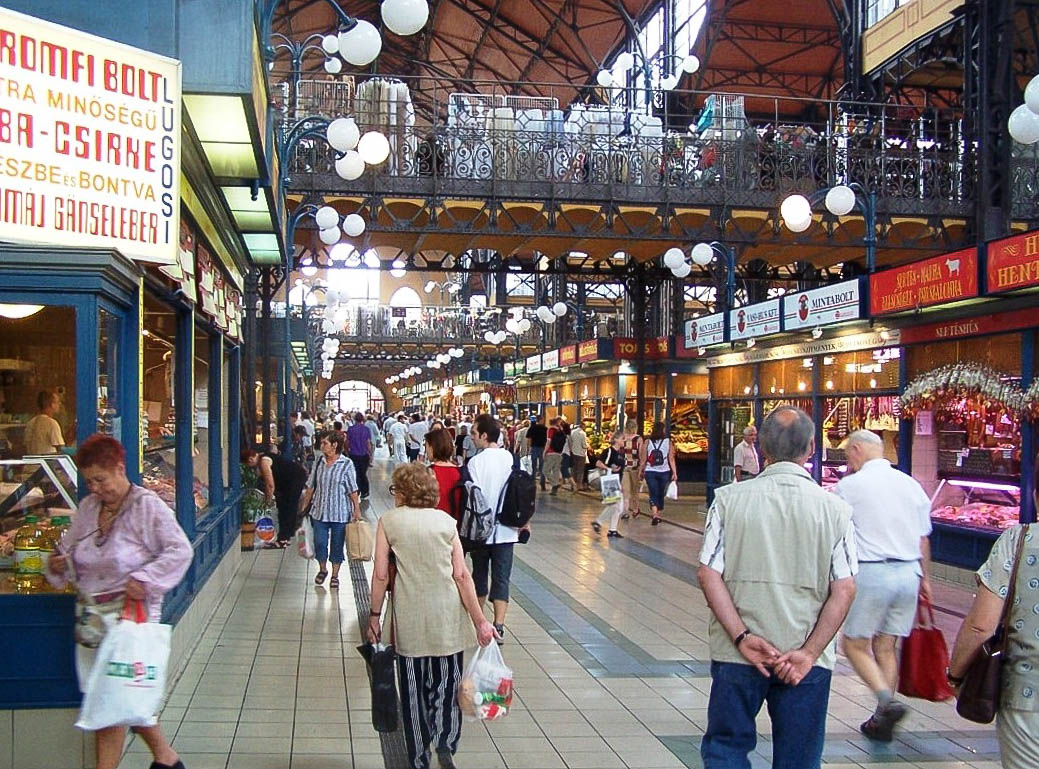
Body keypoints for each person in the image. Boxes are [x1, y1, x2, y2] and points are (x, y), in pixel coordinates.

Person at [697, 406, 857, 769]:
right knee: (799, 756)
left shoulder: (728, 500)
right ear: (812, 448)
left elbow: (708, 574)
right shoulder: (835, 510)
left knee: (726, 748)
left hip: (737, 655)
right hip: (804, 659)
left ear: (763, 449)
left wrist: (741, 637)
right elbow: (844, 588)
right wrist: (810, 652)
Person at [47, 434, 192, 769]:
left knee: (110, 701)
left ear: (120, 469)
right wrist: (59, 563)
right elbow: (72, 552)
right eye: (89, 482)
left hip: (130, 619)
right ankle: (167, 759)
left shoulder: (147, 506)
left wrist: (146, 579)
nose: (95, 488)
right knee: (119, 696)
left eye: (101, 479)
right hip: (92, 623)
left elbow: (179, 550)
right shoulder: (87, 509)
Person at [368, 463, 496, 769]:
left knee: (413, 695)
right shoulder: (446, 522)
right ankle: (446, 743)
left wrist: (374, 615)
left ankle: (418, 757)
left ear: (402, 490)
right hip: (447, 620)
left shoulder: (389, 521)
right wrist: (481, 621)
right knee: (447, 687)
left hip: (410, 619)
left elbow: (381, 575)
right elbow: (462, 576)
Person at [834, 429, 933, 742]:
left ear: (860, 450)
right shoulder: (910, 485)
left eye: (849, 452)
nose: (848, 459)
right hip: (909, 573)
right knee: (886, 645)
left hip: (873, 573)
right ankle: (881, 720)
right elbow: (923, 538)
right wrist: (926, 578)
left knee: (853, 643)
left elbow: (835, 531)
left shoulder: (849, 487)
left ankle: (886, 703)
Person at [948, 465, 1039, 769]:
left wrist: (956, 675)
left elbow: (980, 625)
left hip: (1027, 702)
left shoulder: (1019, 541)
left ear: (1036, 496)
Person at [466, 414, 521, 641]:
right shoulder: (511, 459)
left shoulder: (475, 462)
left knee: (478, 574)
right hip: (507, 530)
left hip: (481, 530)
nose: (472, 437)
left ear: (484, 435)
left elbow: (472, 497)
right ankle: (499, 625)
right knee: (501, 577)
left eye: (474, 433)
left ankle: (478, 624)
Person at [297, 431, 361, 589]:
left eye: (325, 443)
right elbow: (311, 485)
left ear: (335, 445)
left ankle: (335, 575)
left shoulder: (346, 464)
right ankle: (323, 569)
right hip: (319, 510)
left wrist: (356, 510)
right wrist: (304, 507)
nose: (321, 445)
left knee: (337, 545)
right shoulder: (319, 462)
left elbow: (353, 489)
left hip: (340, 512)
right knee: (319, 542)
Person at [243, 448, 308, 548]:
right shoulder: (263, 456)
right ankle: (286, 535)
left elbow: (270, 485)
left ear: (251, 459)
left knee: (288, 506)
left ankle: (284, 538)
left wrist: (267, 502)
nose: (250, 468)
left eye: (248, 465)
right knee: (285, 506)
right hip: (289, 480)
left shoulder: (264, 462)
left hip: (294, 479)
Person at [639, 421, 677, 526]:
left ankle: (655, 513)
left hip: (650, 471)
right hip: (664, 471)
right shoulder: (668, 442)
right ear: (663, 430)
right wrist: (674, 473)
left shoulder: (647, 442)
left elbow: (643, 459)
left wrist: (641, 471)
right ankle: (656, 514)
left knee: (653, 492)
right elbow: (671, 459)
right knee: (660, 492)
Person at [591, 431, 626, 538]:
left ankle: (612, 530)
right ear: (616, 440)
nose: (624, 441)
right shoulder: (609, 451)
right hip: (609, 480)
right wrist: (609, 468)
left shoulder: (621, 454)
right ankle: (599, 522)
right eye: (622, 439)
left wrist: (621, 484)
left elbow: (621, 471)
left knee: (619, 507)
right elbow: (598, 463)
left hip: (616, 481)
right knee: (614, 504)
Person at [427, 428, 462, 521]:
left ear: (432, 447)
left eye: (426, 446)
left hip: (433, 523)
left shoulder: (427, 473)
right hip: (455, 524)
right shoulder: (461, 472)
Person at [24, 389, 65, 455]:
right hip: (46, 463)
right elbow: (60, 448)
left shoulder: (30, 423)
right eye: (58, 402)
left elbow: (25, 445)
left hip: (31, 463)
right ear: (52, 405)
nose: (59, 404)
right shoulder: (52, 424)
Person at [347, 412, 374, 500]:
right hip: (363, 454)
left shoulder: (351, 429)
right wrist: (370, 454)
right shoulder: (366, 429)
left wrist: (348, 450)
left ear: (354, 419)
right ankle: (365, 491)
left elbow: (347, 442)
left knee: (355, 473)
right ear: (362, 419)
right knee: (363, 473)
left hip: (353, 454)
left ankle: (356, 491)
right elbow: (368, 443)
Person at [620, 420, 642, 519]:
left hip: (624, 467)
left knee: (626, 490)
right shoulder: (638, 439)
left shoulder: (622, 438)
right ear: (635, 428)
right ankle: (636, 509)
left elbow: (619, 452)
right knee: (635, 489)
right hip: (635, 466)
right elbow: (641, 454)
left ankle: (626, 511)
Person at [544, 418, 566, 495]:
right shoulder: (561, 430)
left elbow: (548, 441)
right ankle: (554, 490)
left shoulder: (551, 430)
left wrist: (544, 451)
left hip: (551, 452)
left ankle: (555, 483)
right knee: (556, 471)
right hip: (559, 453)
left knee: (545, 470)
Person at [527, 415, 548, 490]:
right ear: (541, 420)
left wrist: (529, 448)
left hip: (534, 448)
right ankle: (542, 483)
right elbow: (547, 440)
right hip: (542, 448)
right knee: (542, 467)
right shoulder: (545, 429)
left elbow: (529, 439)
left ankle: (532, 482)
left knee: (533, 466)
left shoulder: (532, 428)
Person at [568, 422, 589, 491]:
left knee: (573, 469)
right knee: (580, 470)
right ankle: (578, 485)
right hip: (581, 454)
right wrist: (588, 446)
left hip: (573, 453)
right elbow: (584, 445)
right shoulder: (583, 434)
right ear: (583, 426)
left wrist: (571, 449)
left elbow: (570, 442)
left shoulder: (572, 432)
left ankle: (572, 485)